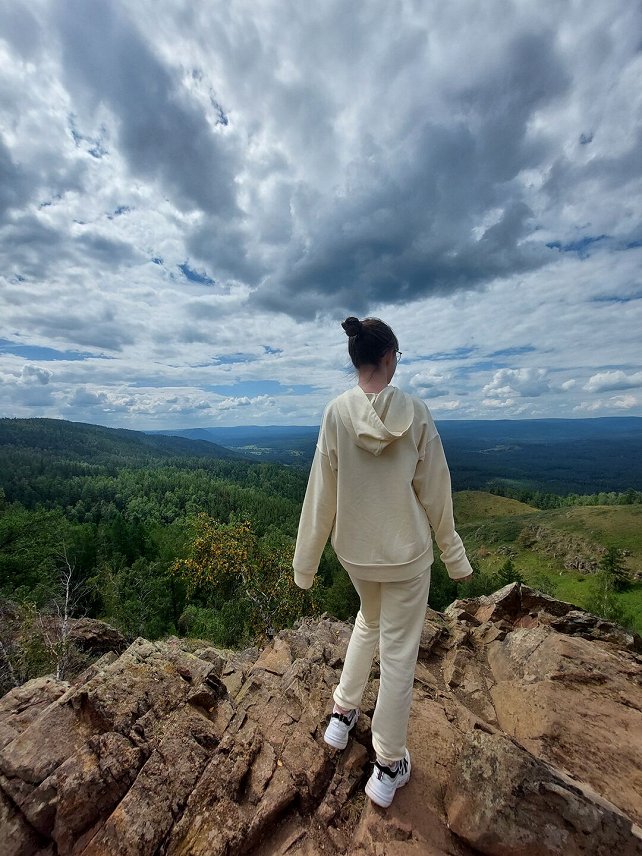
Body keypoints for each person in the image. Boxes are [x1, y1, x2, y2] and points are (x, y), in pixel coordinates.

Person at [292, 316, 473, 808]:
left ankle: (341, 714)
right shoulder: (416, 413)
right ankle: (389, 763)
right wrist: (454, 555)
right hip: (407, 555)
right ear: (389, 358)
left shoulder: (336, 413)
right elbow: (435, 491)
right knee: (397, 654)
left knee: (369, 620)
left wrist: (305, 564)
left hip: (356, 553)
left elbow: (320, 494)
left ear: (357, 359)